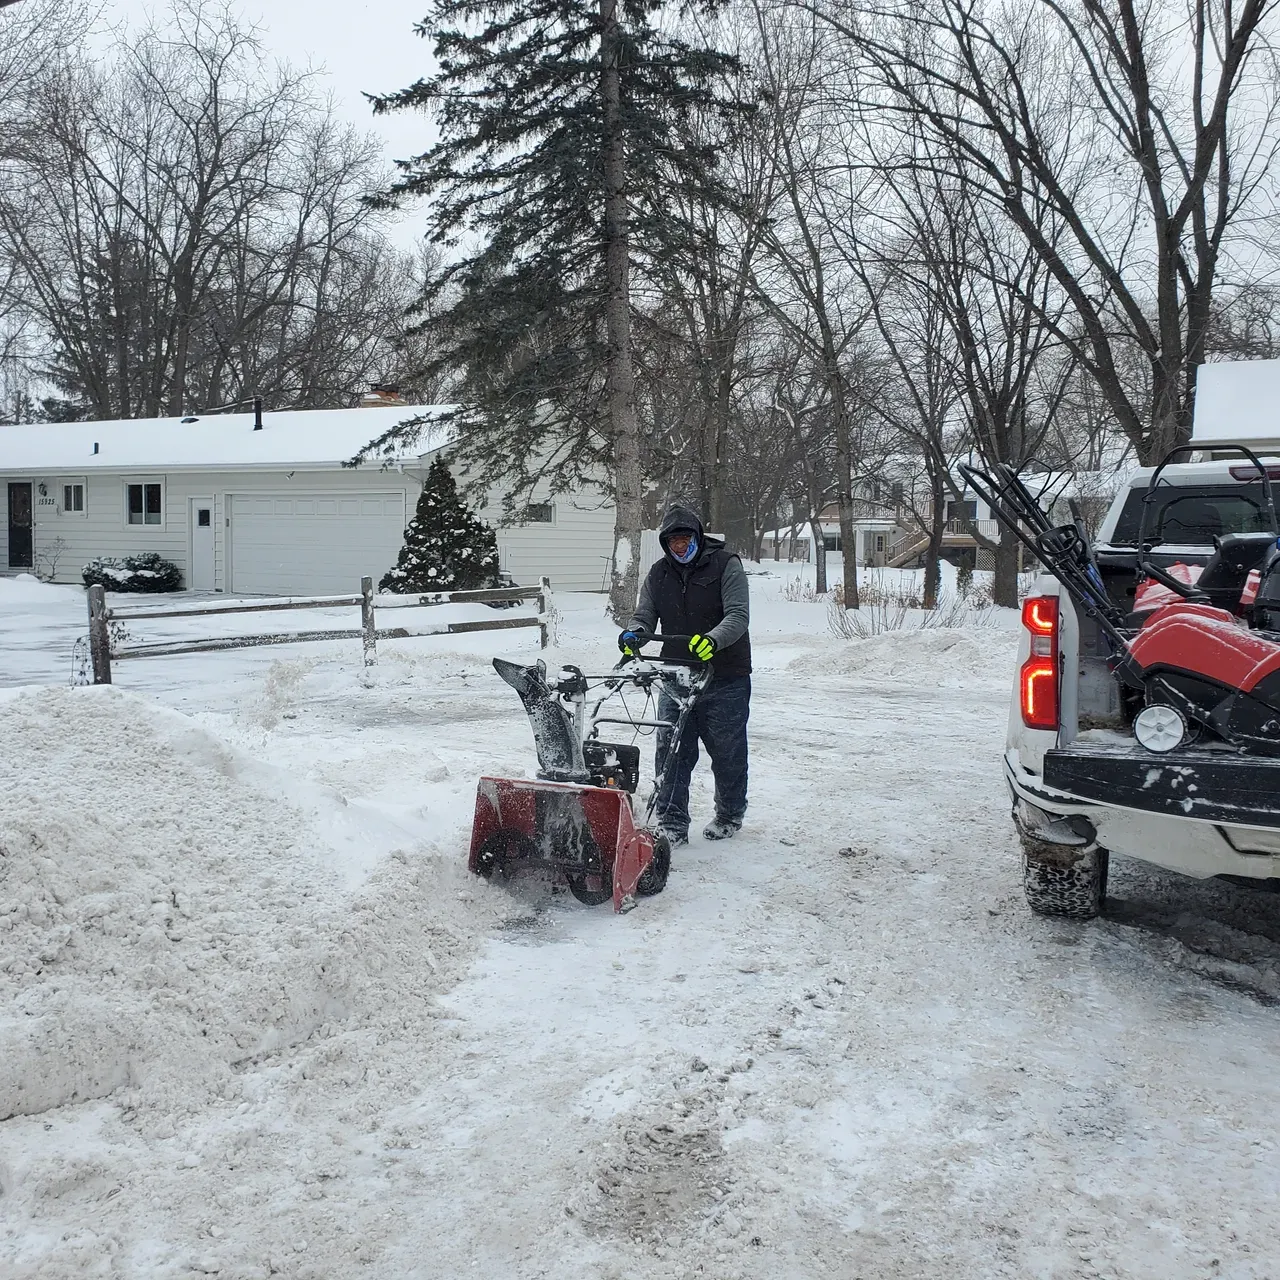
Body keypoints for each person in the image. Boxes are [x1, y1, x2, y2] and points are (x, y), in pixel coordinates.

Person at [618, 505, 751, 845]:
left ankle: (729, 813)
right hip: (676, 674)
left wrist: (712, 640)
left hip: (725, 675)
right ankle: (673, 823)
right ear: (666, 543)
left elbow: (738, 616)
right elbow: (644, 614)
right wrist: (634, 633)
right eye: (673, 542)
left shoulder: (726, 565)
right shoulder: (659, 573)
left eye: (685, 540)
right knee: (672, 749)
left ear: (697, 537)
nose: (679, 547)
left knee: (726, 750)